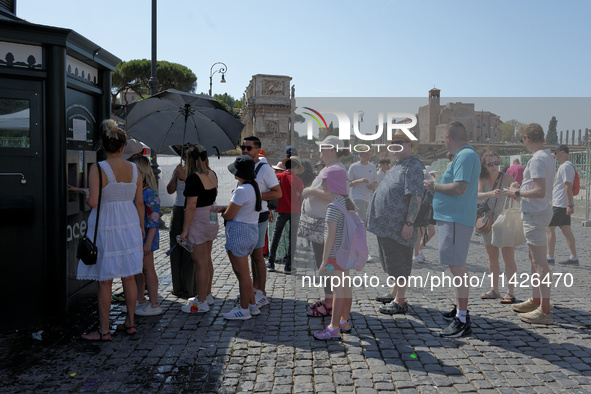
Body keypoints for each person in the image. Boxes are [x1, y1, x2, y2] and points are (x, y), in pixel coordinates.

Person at [76, 120, 144, 340]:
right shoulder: (135, 169)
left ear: (103, 146)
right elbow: (140, 203)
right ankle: (130, 323)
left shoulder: (98, 168)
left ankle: (104, 330)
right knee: (129, 277)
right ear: (123, 147)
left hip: (105, 225)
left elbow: (94, 202)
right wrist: (141, 227)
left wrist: (86, 194)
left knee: (105, 280)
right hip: (130, 224)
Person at [424, 122, 480, 337]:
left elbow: (459, 187)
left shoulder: (465, 155)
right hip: (453, 218)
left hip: (456, 218)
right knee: (456, 266)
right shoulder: (464, 156)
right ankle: (460, 308)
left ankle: (462, 319)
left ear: (447, 139)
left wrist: (434, 186)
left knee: (458, 268)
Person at [368, 129, 424, 315]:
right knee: (390, 262)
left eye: (400, 143)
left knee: (399, 262)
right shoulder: (399, 165)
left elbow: (416, 196)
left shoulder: (413, 166)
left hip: (399, 226)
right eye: (393, 144)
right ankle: (394, 292)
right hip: (387, 226)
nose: (395, 147)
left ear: (409, 145)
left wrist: (409, 223)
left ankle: (400, 300)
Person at [505, 123, 555, 324]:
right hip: (539, 211)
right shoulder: (547, 157)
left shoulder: (536, 159)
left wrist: (516, 192)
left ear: (526, 138)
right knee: (534, 259)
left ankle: (544, 309)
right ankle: (537, 300)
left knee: (539, 262)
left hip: (535, 212)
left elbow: (539, 190)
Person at [300, 135, 349, 317]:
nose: (320, 150)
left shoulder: (337, 169)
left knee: (327, 264)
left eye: (323, 147)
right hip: (321, 224)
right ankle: (329, 298)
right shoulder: (332, 168)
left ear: (333, 150)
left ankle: (329, 303)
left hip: (326, 225)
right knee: (324, 263)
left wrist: (311, 190)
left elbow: (333, 196)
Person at [313, 166, 355, 340]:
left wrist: (324, 261)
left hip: (333, 255)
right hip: (345, 253)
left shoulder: (333, 207)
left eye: (324, 181)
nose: (322, 184)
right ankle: (344, 321)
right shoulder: (347, 203)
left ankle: (333, 327)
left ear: (332, 183)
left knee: (338, 290)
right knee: (345, 288)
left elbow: (329, 237)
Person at [218, 155, 262, 320]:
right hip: (251, 231)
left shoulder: (241, 190)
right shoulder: (253, 187)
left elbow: (229, 215)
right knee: (245, 273)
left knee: (242, 274)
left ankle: (243, 310)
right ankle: (252, 305)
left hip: (239, 232)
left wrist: (222, 211)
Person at [240, 136, 282, 309]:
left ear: (258, 150)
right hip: (245, 216)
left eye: (248, 148)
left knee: (257, 255)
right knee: (251, 254)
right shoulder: (244, 166)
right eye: (243, 147)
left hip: (259, 216)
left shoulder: (265, 169)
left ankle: (261, 292)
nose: (245, 151)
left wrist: (255, 196)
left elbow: (277, 193)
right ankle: (255, 289)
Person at [179, 145, 220, 314]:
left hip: (198, 221)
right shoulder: (212, 174)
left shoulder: (193, 178)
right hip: (210, 219)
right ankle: (207, 294)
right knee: (207, 260)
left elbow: (190, 207)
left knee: (200, 263)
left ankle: (202, 301)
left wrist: (184, 230)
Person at [477, 150, 518, 304]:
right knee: (492, 258)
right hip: (488, 221)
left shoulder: (505, 177)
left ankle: (511, 292)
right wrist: (490, 194)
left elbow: (517, 191)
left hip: (505, 221)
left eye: (496, 163)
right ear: (485, 166)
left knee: (509, 258)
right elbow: (476, 195)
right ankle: (495, 290)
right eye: (490, 164)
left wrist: (511, 190)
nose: (494, 166)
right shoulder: (482, 178)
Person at [129, 155, 162, 316]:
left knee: (148, 269)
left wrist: (148, 242)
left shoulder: (149, 193)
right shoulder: (138, 190)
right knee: (138, 270)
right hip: (137, 236)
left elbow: (154, 221)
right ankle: (140, 299)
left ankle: (155, 303)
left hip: (146, 237)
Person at [166, 144, 197, 298]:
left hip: (191, 210)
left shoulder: (197, 172)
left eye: (186, 156)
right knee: (175, 249)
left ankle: (191, 287)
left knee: (190, 250)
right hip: (178, 208)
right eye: (183, 156)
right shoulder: (179, 169)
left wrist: (186, 178)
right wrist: (175, 176)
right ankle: (178, 286)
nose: (184, 158)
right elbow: (170, 190)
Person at [267, 156, 304, 273]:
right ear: (296, 167)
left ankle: (271, 262)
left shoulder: (278, 176)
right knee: (292, 238)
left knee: (276, 236)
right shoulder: (298, 180)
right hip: (295, 212)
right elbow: (300, 195)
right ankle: (288, 265)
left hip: (281, 211)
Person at [547, 144, 578, 265]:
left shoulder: (565, 167)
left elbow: (568, 186)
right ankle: (574, 257)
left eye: (556, 153)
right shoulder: (565, 166)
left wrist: (570, 205)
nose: (554, 155)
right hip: (562, 203)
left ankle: (549, 257)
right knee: (566, 229)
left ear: (563, 152)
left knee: (549, 228)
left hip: (561, 204)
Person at [413, 165, 437, 263]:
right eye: (432, 174)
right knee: (420, 233)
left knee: (431, 232)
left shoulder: (432, 184)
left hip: (428, 211)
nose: (434, 175)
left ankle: (419, 249)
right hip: (421, 211)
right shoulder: (422, 185)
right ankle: (416, 254)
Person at [348, 151, 378, 222]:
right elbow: (348, 184)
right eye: (366, 154)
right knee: (362, 220)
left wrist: (373, 186)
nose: (368, 156)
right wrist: (359, 181)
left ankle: (359, 233)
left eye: (369, 154)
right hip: (358, 197)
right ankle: (360, 232)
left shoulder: (372, 167)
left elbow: (376, 183)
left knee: (366, 221)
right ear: (360, 154)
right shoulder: (354, 167)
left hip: (369, 197)